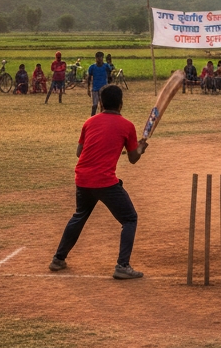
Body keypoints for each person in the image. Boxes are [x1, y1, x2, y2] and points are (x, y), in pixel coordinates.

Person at [49, 85, 149, 278]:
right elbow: (133, 158)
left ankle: (58, 259)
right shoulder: (127, 126)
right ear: (121, 104)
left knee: (80, 215)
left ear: (101, 103)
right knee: (129, 219)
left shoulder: (90, 122)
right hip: (104, 181)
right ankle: (122, 266)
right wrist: (140, 149)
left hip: (82, 178)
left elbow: (79, 152)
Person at [87, 52, 111, 116]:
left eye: (101, 57)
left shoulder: (106, 66)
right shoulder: (92, 67)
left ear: (102, 58)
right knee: (94, 105)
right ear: (96, 58)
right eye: (98, 57)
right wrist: (88, 89)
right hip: (95, 89)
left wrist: (108, 86)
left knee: (102, 105)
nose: (99, 59)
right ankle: (92, 118)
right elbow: (89, 78)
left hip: (104, 89)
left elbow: (110, 76)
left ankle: (102, 117)